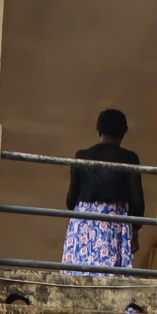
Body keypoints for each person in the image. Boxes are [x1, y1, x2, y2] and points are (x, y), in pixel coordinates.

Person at [64, 108, 147, 271]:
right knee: (109, 274)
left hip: (83, 222)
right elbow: (137, 201)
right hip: (112, 222)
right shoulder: (129, 158)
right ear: (124, 132)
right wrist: (135, 233)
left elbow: (70, 202)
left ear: (98, 129)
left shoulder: (81, 156)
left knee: (79, 273)